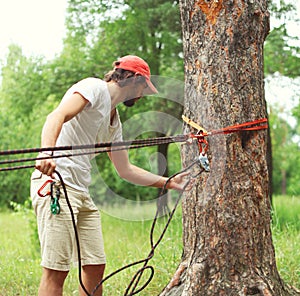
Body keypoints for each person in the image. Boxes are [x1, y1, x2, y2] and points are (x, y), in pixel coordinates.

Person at [30, 55, 189, 296]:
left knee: (95, 266)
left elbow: (125, 170)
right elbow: (56, 116)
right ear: (134, 79)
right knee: (56, 271)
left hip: (81, 191)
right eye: (144, 88)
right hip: (57, 185)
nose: (143, 94)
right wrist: (46, 152)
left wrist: (167, 182)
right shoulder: (93, 88)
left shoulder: (114, 121)